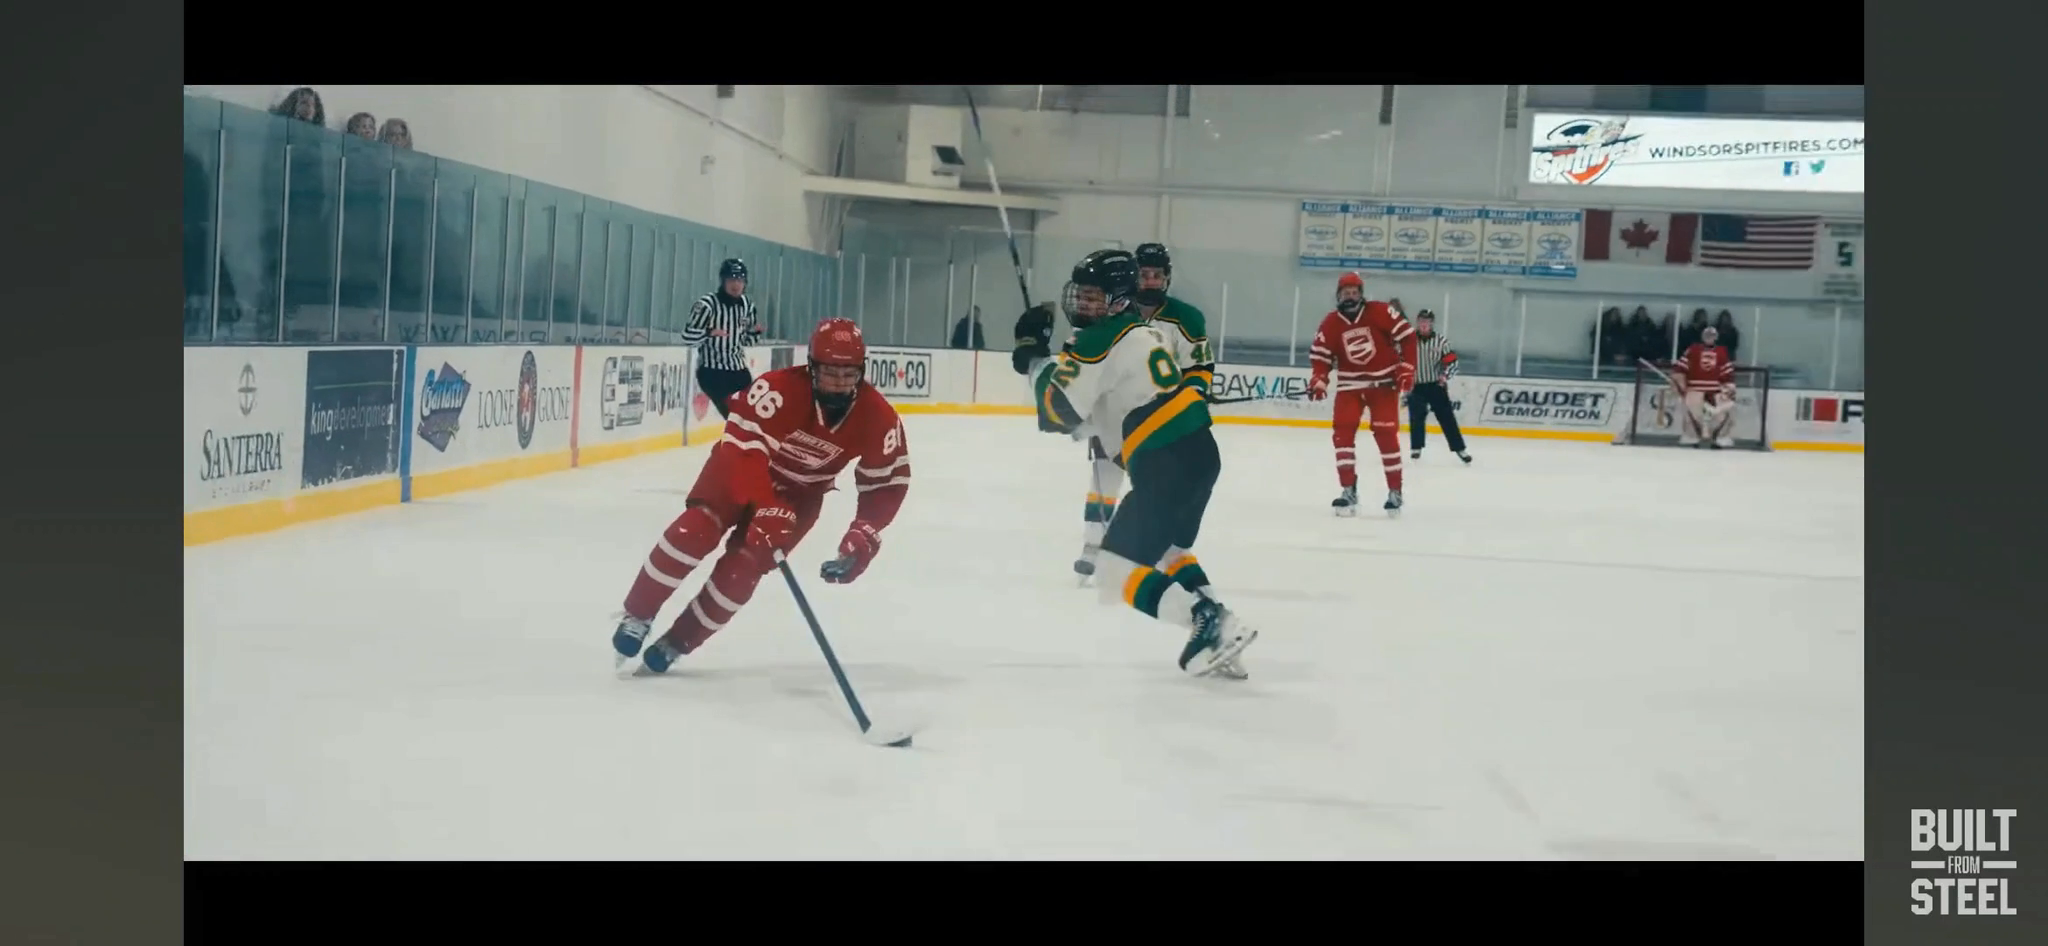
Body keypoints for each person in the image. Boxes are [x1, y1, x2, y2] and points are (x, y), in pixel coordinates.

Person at [610, 318, 911, 673]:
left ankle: (677, 642)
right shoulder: (778, 390)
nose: (839, 382)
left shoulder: (878, 417)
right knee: (696, 530)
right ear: (812, 366)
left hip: (799, 498)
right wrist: (765, 504)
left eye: (849, 373)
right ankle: (638, 615)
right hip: (740, 472)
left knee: (743, 570)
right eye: (830, 372)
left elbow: (886, 484)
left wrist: (863, 530)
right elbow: (742, 452)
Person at [1025, 249, 1258, 679]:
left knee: (1114, 572)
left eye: (1094, 297)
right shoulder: (1143, 331)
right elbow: (1097, 413)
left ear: (1117, 300)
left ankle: (1208, 622)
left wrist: (1034, 358)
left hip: (1163, 461)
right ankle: (1224, 626)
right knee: (1171, 551)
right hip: (1200, 453)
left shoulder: (1098, 339)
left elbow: (1058, 413)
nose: (1083, 304)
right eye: (1081, 295)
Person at [1067, 242, 1216, 583]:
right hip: (1114, 412)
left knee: (1154, 489)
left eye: (1156, 275)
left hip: (1159, 420)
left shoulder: (1187, 318)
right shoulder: (1112, 312)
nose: (1149, 281)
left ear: (1167, 278)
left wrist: (1194, 392)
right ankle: (1092, 546)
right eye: (1144, 274)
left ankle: (1155, 552)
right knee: (1103, 476)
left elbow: (1200, 366)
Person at [1307, 272, 1416, 517]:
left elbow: (1408, 337)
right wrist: (1319, 379)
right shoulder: (1330, 323)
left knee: (1386, 435)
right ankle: (1348, 490)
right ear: (1338, 295)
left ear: (1361, 294)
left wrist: (1407, 368)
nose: (1350, 296)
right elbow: (1321, 357)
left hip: (1383, 384)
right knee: (1342, 433)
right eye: (1346, 293)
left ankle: (1395, 491)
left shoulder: (1380, 311)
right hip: (1350, 386)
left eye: (1354, 292)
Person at [681, 258, 766, 419]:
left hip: (739, 371)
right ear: (723, 281)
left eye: (740, 280)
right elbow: (687, 337)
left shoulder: (747, 305)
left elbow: (745, 341)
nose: (736, 284)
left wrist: (755, 334)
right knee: (736, 418)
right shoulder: (707, 305)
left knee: (755, 417)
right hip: (712, 373)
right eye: (731, 279)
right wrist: (708, 332)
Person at [1406, 310, 1471, 463]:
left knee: (1447, 418)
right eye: (1421, 321)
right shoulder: (1408, 340)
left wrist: (1445, 376)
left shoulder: (1441, 342)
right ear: (1417, 322)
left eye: (1427, 322)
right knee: (1416, 417)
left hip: (1435, 385)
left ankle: (1460, 449)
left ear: (1432, 324)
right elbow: (1399, 359)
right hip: (1416, 385)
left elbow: (1453, 362)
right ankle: (1416, 448)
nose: (1424, 325)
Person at [1673, 324, 1738, 448]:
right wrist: (1680, 383)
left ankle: (1720, 438)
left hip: (1716, 390)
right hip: (1694, 389)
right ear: (1702, 337)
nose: (1709, 338)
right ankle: (1691, 437)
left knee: (1721, 415)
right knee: (1693, 414)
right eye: (1707, 335)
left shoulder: (1722, 352)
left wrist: (1728, 389)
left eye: (1712, 335)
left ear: (1716, 337)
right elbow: (1680, 369)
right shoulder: (1693, 350)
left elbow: (1727, 374)